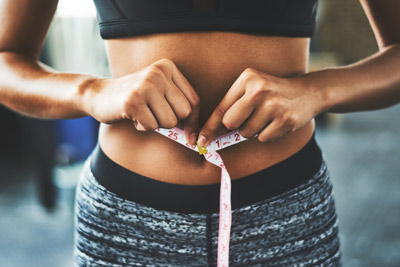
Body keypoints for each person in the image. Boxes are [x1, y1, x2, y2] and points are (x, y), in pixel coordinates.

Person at [0, 0, 399, 266]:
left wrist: (316, 90)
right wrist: (94, 91)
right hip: (127, 220)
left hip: (284, 212)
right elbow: (7, 59)